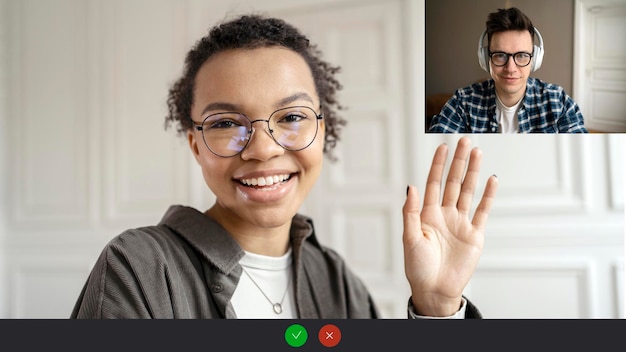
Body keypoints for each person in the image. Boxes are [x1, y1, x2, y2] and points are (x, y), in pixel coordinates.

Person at [70, 14, 498, 319]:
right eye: (224, 123)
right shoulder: (138, 268)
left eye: (291, 117)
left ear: (322, 130)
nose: (262, 148)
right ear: (195, 144)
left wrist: (437, 308)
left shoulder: (333, 277)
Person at [428, 7, 587, 133]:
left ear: (535, 59)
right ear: (486, 58)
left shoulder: (558, 101)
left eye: (522, 55)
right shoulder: (462, 102)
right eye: (500, 55)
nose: (510, 68)